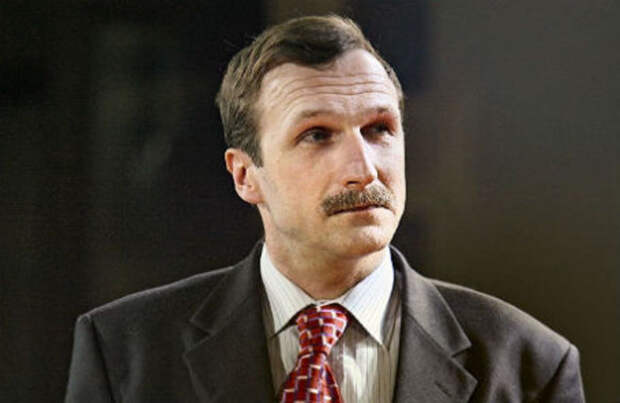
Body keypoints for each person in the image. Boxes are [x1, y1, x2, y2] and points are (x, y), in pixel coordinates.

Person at [66, 15, 585, 402]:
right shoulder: (124, 353)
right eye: (317, 135)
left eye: (379, 129)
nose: (364, 169)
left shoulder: (530, 364)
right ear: (245, 175)